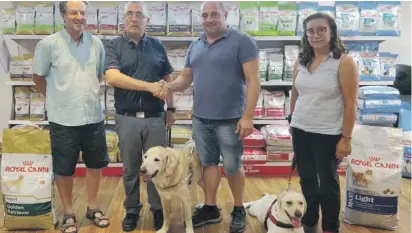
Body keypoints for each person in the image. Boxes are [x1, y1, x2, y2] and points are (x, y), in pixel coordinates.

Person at [162, 1, 260, 232]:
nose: (209, 19)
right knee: (208, 164)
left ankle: (238, 209)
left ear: (225, 15)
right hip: (201, 118)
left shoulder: (242, 41)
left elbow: (254, 80)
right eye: (204, 15)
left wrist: (248, 116)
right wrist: (167, 87)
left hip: (231, 119)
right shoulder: (195, 45)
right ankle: (210, 208)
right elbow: (185, 79)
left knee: (234, 166)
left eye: (214, 14)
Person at [32, 1, 111, 233]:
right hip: (62, 119)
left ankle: (93, 207)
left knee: (95, 164)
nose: (79, 17)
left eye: (83, 12)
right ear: (63, 16)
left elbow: (100, 74)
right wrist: (55, 98)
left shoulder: (96, 44)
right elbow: (38, 77)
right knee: (64, 168)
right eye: (74, 12)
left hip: (93, 116)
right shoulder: (48, 45)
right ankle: (68, 212)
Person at [103, 1, 175, 232]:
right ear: (123, 19)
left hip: (155, 117)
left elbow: (168, 78)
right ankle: (132, 209)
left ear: (147, 20)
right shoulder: (113, 46)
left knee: (157, 167)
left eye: (139, 15)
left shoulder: (157, 45)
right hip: (127, 118)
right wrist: (149, 87)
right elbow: (113, 77)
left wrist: (171, 109)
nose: (134, 19)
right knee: (131, 168)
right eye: (129, 14)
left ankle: (157, 209)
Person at [288, 13, 359, 233]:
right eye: (310, 31)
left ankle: (330, 226)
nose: (315, 35)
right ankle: (309, 220)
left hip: (328, 133)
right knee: (307, 179)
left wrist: (346, 138)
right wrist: (292, 121)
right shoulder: (302, 59)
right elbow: (295, 93)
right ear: (305, 34)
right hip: (301, 129)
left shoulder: (344, 62)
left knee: (328, 185)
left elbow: (350, 104)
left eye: (321, 30)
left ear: (332, 32)